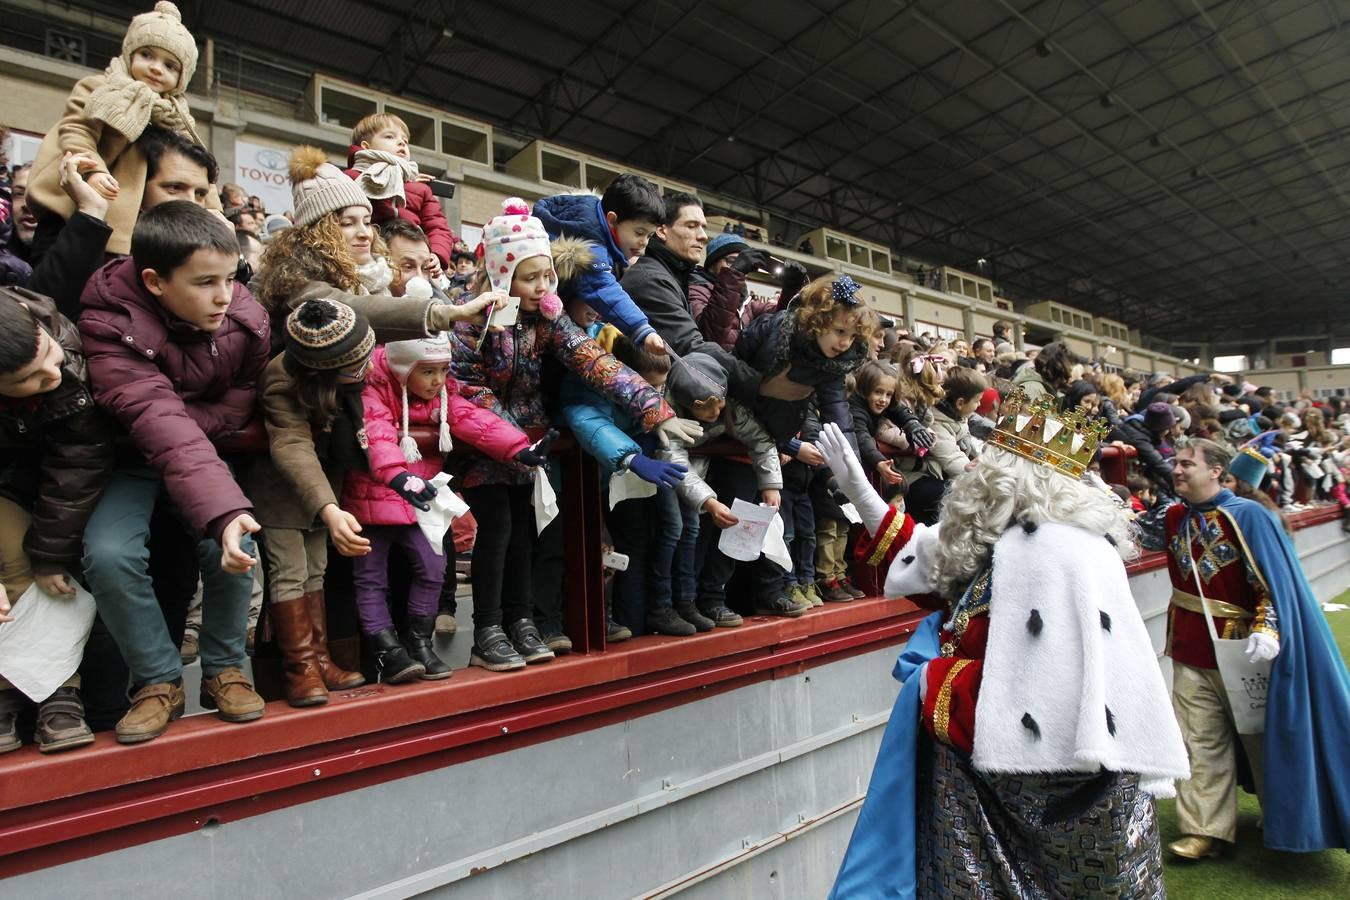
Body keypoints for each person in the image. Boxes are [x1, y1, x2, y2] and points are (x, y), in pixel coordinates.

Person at [824, 389, 1189, 899]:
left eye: (989, 463)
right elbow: (937, 566)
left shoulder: (1052, 551)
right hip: (994, 777)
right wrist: (865, 497)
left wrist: (934, 681)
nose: (975, 471)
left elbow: (1044, 697)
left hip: (1031, 789)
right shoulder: (1015, 536)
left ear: (1012, 479)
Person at [452, 199, 694, 670]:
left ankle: (521, 621)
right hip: (487, 442)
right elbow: (466, 387)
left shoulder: (547, 316)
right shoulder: (468, 318)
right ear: (502, 274)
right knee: (498, 532)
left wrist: (655, 410)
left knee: (524, 533)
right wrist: (509, 438)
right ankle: (487, 630)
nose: (544, 286)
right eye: (531, 277)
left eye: (547, 276)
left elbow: (595, 361)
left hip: (530, 446)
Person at [78, 201, 268, 744]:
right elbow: (153, 417)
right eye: (205, 282)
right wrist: (223, 503)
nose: (224, 295)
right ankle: (158, 681)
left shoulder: (245, 315)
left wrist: (226, 509)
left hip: (204, 452)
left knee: (234, 544)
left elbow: (243, 397)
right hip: (130, 459)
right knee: (110, 553)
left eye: (231, 278)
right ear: (155, 281)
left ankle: (224, 669)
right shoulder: (107, 322)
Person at [1164, 438, 1350, 858]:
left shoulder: (1250, 517)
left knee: (1263, 741)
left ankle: (1286, 816)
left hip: (1242, 650)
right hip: (1188, 647)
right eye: (1175, 462)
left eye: (1186, 463)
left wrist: (1267, 629)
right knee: (1197, 741)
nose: (1176, 469)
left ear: (1215, 470)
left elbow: (1274, 587)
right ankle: (1204, 830)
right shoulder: (1173, 516)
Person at [342, 333, 550, 681]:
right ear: (403, 369)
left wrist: (519, 449)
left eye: (443, 370)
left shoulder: (442, 394)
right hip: (374, 497)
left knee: (432, 568)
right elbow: (376, 432)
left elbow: (474, 420)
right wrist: (396, 476)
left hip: (419, 500)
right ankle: (387, 649)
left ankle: (419, 641)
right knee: (371, 579)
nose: (438, 380)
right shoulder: (373, 388)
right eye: (428, 372)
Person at [0, 287, 115, 753]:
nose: (54, 372)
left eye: (48, 355)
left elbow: (79, 463)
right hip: (8, 478)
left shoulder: (60, 345)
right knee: (6, 550)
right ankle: (9, 688)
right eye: (30, 378)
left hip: (58, 477)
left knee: (44, 566)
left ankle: (58, 690)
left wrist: (50, 552)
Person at [241, 299, 372, 707]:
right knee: (290, 573)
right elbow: (292, 446)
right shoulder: (282, 380)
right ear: (322, 370)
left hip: (322, 490)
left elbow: (389, 317)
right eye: (356, 365)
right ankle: (300, 669)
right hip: (283, 493)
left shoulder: (342, 355)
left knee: (316, 570)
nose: (366, 367)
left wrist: (450, 315)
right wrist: (330, 510)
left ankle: (321, 659)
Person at [252, 146, 493, 347]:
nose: (364, 233)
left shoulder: (377, 274)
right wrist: (448, 313)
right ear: (317, 232)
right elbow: (351, 309)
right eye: (347, 223)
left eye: (367, 222)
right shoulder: (296, 279)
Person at [25, 2, 208, 258]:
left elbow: (198, 168)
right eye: (147, 55)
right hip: (72, 204)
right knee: (53, 277)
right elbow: (77, 131)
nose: (156, 67)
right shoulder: (100, 87)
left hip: (125, 223)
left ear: (182, 78)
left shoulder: (176, 115)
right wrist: (94, 171)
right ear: (129, 54)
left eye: (170, 66)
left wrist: (213, 209)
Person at [561, 328, 695, 636]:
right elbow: (589, 420)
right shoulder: (593, 376)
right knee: (589, 549)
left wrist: (652, 427)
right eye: (651, 386)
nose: (656, 394)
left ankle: (628, 621)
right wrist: (632, 457)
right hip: (585, 479)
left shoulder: (650, 389)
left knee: (631, 546)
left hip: (623, 480)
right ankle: (584, 623)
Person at [533, 174, 667, 355]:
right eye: (639, 232)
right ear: (612, 220)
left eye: (649, 236)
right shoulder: (590, 244)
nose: (644, 242)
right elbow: (603, 287)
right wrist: (641, 329)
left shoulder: (582, 218)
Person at [344, 113, 457, 269]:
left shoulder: (421, 189)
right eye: (390, 137)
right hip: (367, 258)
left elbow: (437, 227)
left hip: (412, 261)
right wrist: (391, 180)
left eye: (405, 141)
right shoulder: (351, 178)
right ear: (366, 146)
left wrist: (436, 254)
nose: (401, 143)